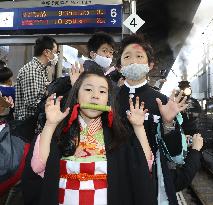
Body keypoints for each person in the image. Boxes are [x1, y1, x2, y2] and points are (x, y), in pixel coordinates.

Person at [22, 66, 156, 205]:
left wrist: (139, 127)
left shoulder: (119, 134)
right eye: (88, 89)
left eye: (102, 91)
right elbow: (37, 167)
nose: (95, 96)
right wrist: (50, 125)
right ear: (77, 95)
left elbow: (144, 167)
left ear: (108, 100)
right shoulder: (60, 131)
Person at [116, 34, 203, 204]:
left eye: (139, 56)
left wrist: (169, 123)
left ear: (150, 65)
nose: (133, 61)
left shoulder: (163, 102)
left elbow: (176, 155)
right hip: (114, 174)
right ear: (119, 66)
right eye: (127, 57)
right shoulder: (109, 98)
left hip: (152, 179)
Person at [15, 36, 59, 120]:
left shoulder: (42, 69)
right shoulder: (32, 70)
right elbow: (32, 102)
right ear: (46, 52)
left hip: (35, 122)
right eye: (55, 52)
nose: (56, 56)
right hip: (28, 125)